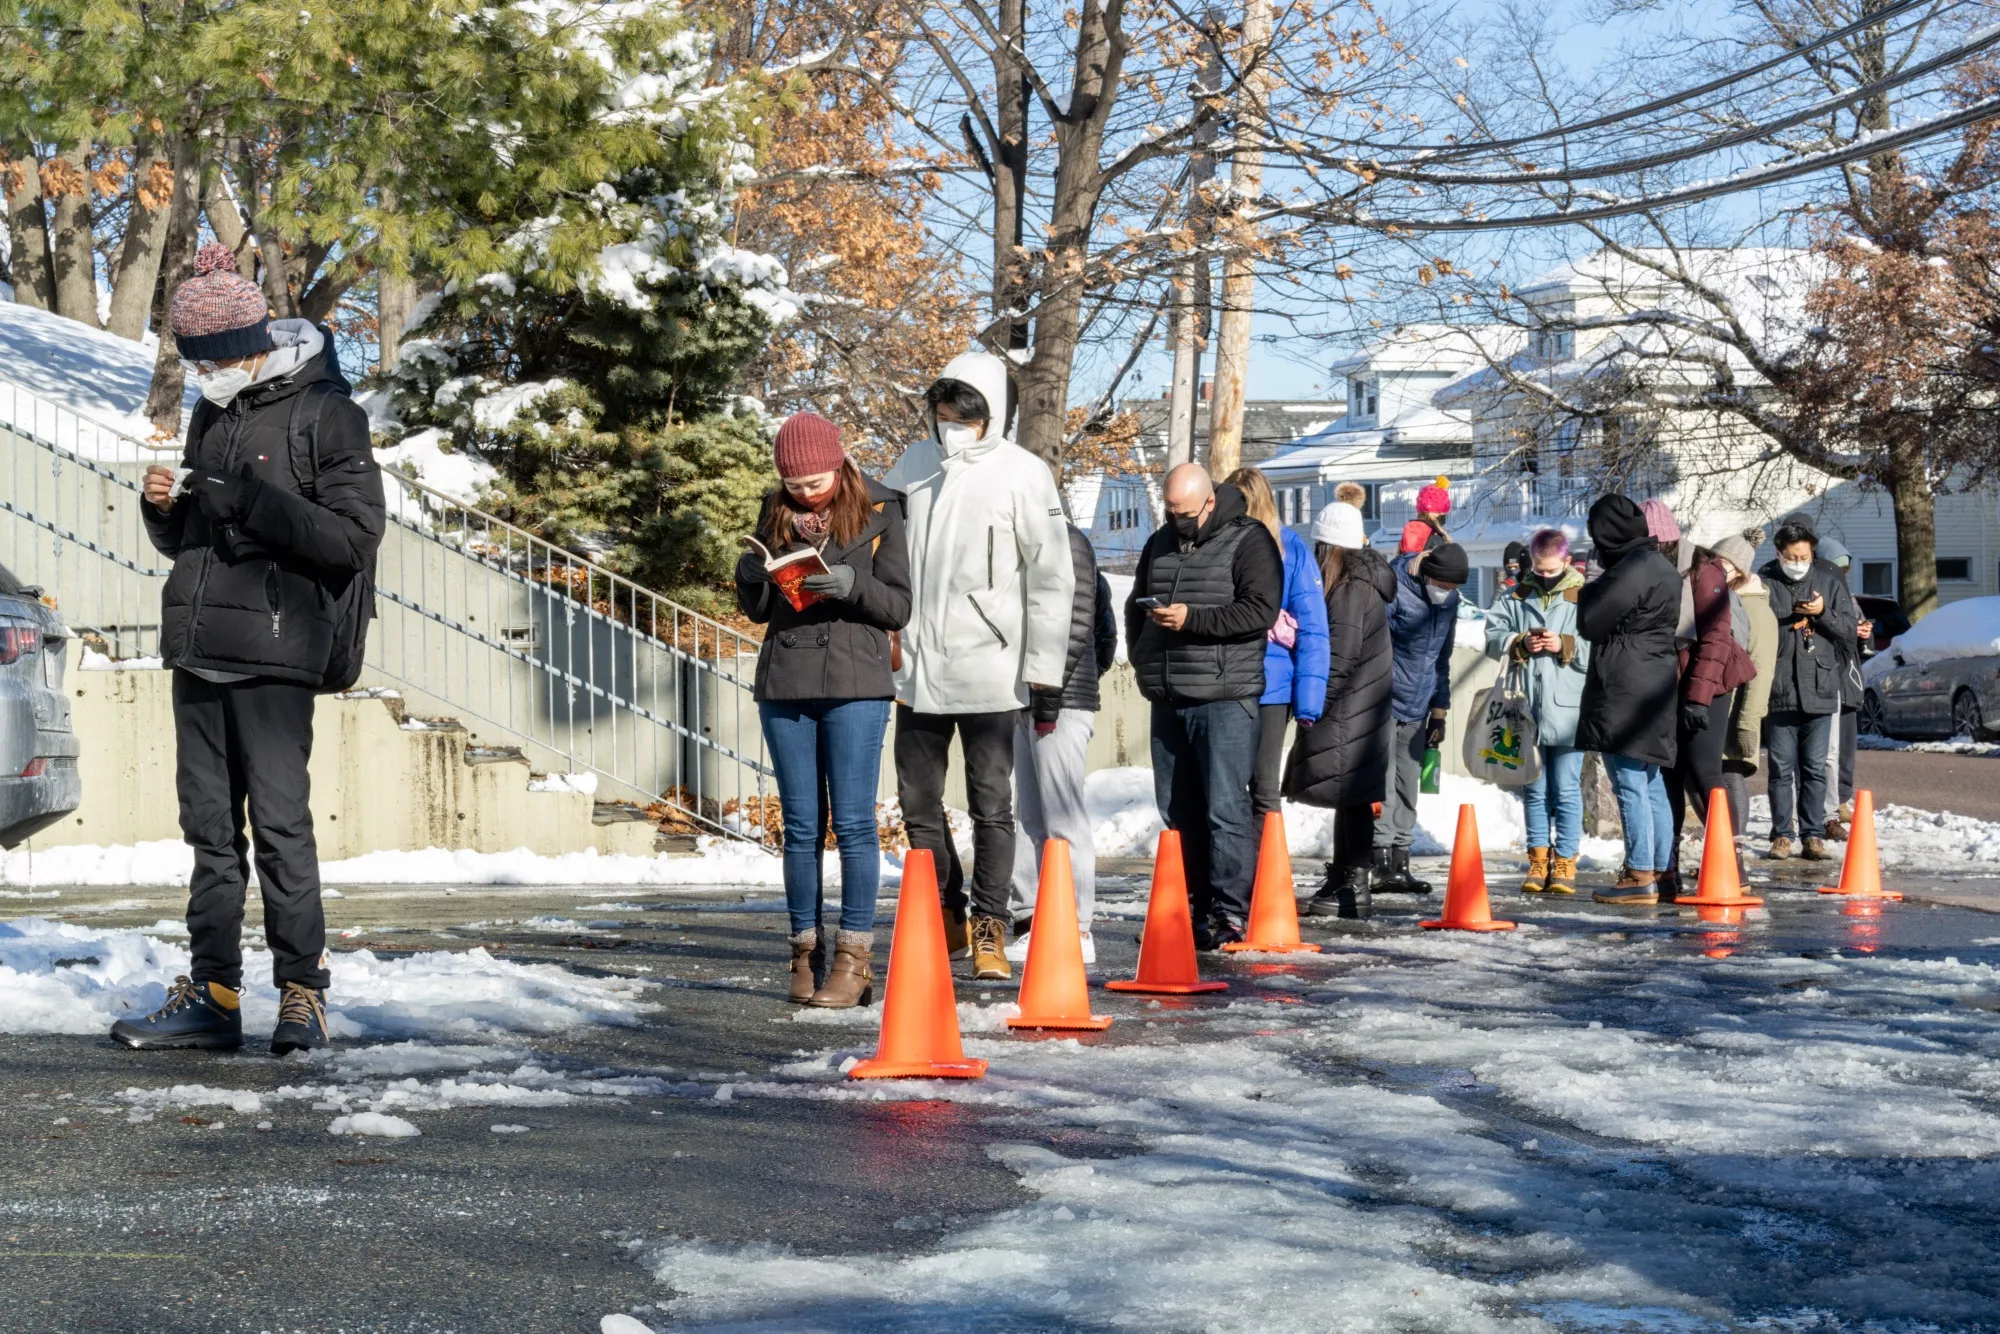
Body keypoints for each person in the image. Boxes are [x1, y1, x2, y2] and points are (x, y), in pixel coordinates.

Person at [116, 243, 385, 1054]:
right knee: (207, 828)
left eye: (214, 361)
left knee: (279, 826)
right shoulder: (213, 411)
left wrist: (253, 501)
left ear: (252, 342)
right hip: (198, 643)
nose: (206, 377)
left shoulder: (328, 414)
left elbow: (353, 538)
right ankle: (214, 992)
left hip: (276, 648)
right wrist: (164, 510)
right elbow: (196, 539)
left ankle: (303, 991)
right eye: (195, 364)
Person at [883, 350, 1074, 981]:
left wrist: (1043, 673)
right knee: (919, 805)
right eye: (941, 416)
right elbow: (878, 542)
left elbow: (1052, 580)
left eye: (964, 417)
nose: (950, 428)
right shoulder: (913, 464)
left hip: (992, 668)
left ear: (992, 416)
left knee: (993, 806)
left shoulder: (1024, 474)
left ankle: (992, 925)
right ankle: (947, 913)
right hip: (916, 667)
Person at [736, 413, 910, 1008]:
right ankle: (803, 954)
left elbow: (900, 607)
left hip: (857, 679)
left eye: (816, 481)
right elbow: (759, 611)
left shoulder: (886, 511)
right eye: (795, 484)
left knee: (856, 825)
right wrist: (750, 575)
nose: (806, 493)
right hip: (786, 679)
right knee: (802, 827)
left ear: (838, 464)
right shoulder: (775, 510)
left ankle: (854, 959)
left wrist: (850, 586)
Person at [1127, 463, 1282, 948]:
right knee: (1177, 810)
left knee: (1225, 809)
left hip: (1225, 696)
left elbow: (1260, 611)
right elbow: (1136, 604)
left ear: (1210, 501)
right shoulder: (1159, 542)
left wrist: (1193, 619)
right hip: (1169, 694)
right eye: (1171, 512)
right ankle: (1187, 907)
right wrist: (1142, 656)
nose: (1177, 521)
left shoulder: (1249, 540)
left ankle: (1228, 912)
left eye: (1185, 513)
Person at [1005, 521, 1117, 965]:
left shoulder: (1067, 542)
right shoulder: (1024, 540)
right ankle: (1034, 919)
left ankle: (1078, 925)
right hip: (1026, 695)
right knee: (1031, 814)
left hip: (1060, 697)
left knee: (1062, 816)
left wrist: (1057, 693)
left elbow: (1078, 627)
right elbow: (1102, 632)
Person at [1287, 501, 1398, 917]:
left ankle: (1354, 884)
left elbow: (1340, 654)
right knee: (1349, 796)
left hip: (1350, 704)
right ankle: (1345, 878)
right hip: (1361, 702)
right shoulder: (1362, 579)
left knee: (1353, 796)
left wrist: (1314, 702)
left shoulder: (1351, 586)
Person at [1575, 495, 1682, 904]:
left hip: (1623, 683)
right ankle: (1661, 870)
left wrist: (1590, 585)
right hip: (1655, 681)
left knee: (1629, 782)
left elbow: (1590, 622)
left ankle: (1638, 874)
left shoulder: (1629, 571)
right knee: (1651, 780)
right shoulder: (1661, 566)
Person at [1483, 528, 1590, 896]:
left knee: (1566, 788)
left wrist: (1565, 644)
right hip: (1524, 706)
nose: (1545, 576)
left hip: (1569, 707)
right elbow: (1491, 636)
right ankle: (1538, 859)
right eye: (1540, 570)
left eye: (1551, 570)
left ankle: (1565, 862)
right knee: (1533, 786)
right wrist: (1519, 642)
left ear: (1566, 561)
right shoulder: (1515, 595)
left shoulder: (1584, 597)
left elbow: (1600, 650)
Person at [1224, 467, 1329, 820]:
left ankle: (1260, 870)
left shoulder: (1287, 548)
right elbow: (1313, 627)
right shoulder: (1288, 547)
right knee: (1262, 788)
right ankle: (1262, 869)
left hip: (1253, 680)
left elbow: (1313, 627)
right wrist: (1307, 704)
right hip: (1270, 681)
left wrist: (1309, 704)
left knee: (1247, 785)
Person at [1662, 537, 1757, 899]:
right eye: (1723, 562)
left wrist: (1698, 699)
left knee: (1706, 771)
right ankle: (1666, 863)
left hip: (1710, 687)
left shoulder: (1715, 587)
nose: (1726, 571)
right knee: (1672, 771)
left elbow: (1720, 648)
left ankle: (1733, 863)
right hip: (1680, 684)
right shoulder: (1689, 574)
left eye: (1733, 570)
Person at [1374, 540, 1469, 893]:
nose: (1448, 594)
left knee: (1409, 781)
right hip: (1384, 699)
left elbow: (1441, 659)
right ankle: (1379, 860)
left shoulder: (1450, 603)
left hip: (1419, 702)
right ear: (1428, 575)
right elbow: (1374, 645)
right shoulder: (1394, 588)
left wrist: (1439, 711)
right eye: (1444, 587)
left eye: (1454, 589)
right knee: (1383, 781)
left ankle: (1401, 859)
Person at [1758, 521, 1856, 861]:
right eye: (1792, 555)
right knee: (1781, 768)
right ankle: (1782, 834)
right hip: (1779, 686)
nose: (1799, 561)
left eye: (1805, 555)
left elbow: (1848, 630)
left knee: (1815, 767)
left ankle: (1813, 835)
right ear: (1779, 554)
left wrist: (1823, 613)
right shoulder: (1765, 582)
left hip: (1820, 684)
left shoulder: (1829, 581)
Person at [1713, 533, 1777, 848]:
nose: (1714, 567)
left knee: (1730, 773)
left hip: (1736, 709)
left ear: (1739, 570)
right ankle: (1724, 850)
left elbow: (1761, 671)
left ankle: (1733, 851)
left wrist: (1748, 722)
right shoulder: (1721, 598)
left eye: (1721, 562)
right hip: (1718, 707)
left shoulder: (1756, 610)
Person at [1815, 536, 1867, 837]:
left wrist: (1863, 634)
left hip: (1848, 678)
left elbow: (1857, 630)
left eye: (1845, 570)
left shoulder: (1849, 596)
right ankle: (1828, 807)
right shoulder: (1817, 593)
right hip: (1829, 677)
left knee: (1843, 747)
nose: (1841, 575)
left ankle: (1841, 799)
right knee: (1826, 752)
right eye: (1838, 568)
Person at [1398, 475, 1452, 554]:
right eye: (1442, 512)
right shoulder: (1435, 536)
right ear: (1434, 512)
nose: (1443, 515)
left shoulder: (1409, 533)